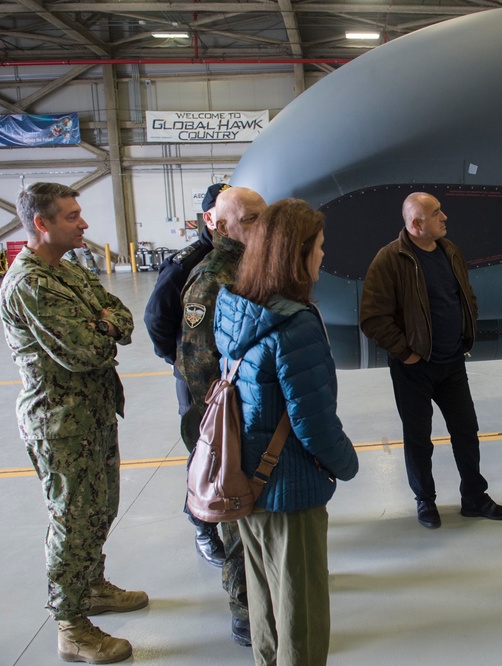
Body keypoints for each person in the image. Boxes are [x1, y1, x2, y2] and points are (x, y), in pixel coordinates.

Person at [0, 182, 147, 664]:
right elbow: (89, 351)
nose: (83, 223)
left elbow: (124, 318)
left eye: (80, 213)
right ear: (41, 224)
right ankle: (71, 625)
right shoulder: (30, 284)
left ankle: (93, 586)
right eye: (71, 216)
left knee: (100, 508)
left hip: (94, 413)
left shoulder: (69, 271)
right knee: (71, 520)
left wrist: (103, 322)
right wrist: (103, 327)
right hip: (61, 423)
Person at [214, 198, 359, 666]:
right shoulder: (296, 324)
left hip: (246, 483)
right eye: (318, 248)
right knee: (302, 615)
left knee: (265, 605)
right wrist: (347, 464)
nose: (322, 257)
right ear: (296, 255)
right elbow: (312, 421)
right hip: (290, 491)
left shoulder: (238, 310)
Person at [359, 192, 502, 529]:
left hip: (452, 362)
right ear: (416, 224)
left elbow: (464, 295)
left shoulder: (450, 251)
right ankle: (425, 502)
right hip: (413, 368)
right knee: (418, 438)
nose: (445, 217)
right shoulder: (390, 259)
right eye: (436, 213)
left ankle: (474, 498)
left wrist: (464, 332)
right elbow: (373, 317)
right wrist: (407, 353)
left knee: (467, 432)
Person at [176, 185, 266, 646]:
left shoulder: (254, 267)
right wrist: (219, 433)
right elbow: (196, 369)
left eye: (262, 217)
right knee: (234, 522)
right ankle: (244, 612)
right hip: (231, 425)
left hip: (259, 421)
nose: (259, 226)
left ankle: (265, 596)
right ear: (221, 224)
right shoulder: (213, 277)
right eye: (249, 219)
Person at [144, 182, 229, 567]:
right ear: (210, 218)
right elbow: (156, 317)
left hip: (230, 372)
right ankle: (203, 527)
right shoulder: (187, 261)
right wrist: (177, 359)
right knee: (204, 448)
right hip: (196, 376)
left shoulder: (244, 256)